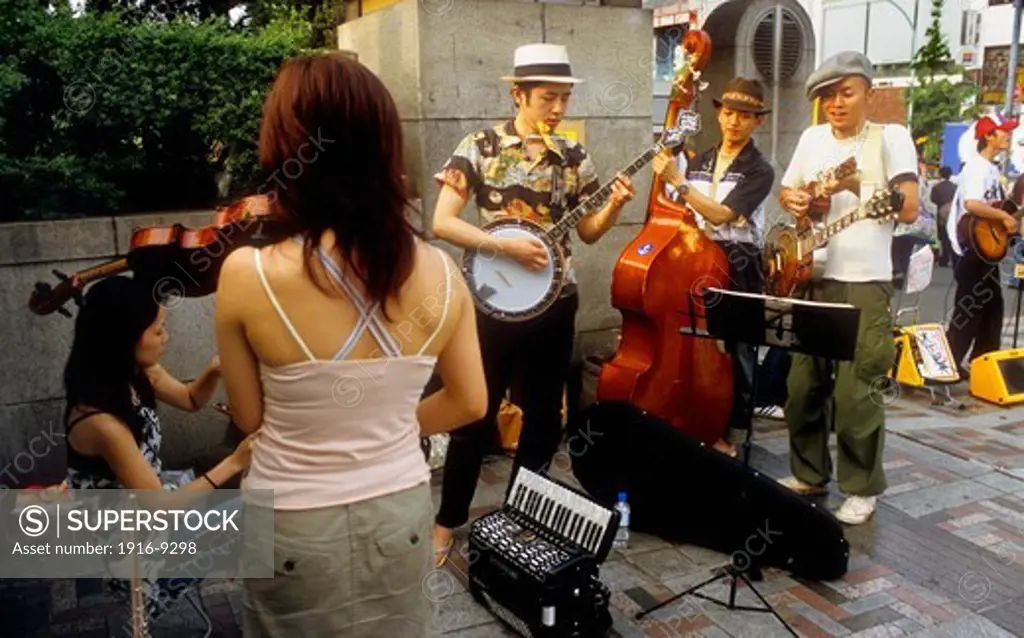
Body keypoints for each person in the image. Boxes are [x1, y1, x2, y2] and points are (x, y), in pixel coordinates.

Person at [214, 52, 486, 637]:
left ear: (289, 147)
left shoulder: (245, 273)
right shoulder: (442, 273)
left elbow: (249, 416)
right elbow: (469, 402)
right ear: (385, 146)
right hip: (401, 515)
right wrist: (385, 422)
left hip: (289, 526)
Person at [430, 43, 635, 565]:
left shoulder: (574, 155)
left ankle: (521, 512)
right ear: (518, 94)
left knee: (544, 416)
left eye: (565, 98)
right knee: (475, 410)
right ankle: (448, 518)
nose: (559, 109)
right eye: (549, 98)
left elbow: (587, 233)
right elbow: (443, 222)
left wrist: (611, 207)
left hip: (555, 303)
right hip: (493, 304)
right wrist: (502, 245)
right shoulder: (478, 146)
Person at [776, 51, 919, 525]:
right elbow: (789, 190)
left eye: (846, 92)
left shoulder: (889, 138)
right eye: (826, 96)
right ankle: (810, 472)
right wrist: (794, 197)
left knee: (859, 392)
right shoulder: (813, 138)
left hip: (864, 280)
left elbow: (910, 207)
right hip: (810, 275)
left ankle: (861, 487)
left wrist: (859, 187)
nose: (835, 103)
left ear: (868, 93)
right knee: (802, 385)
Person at [62, 274, 253, 624]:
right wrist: (234, 462)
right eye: (158, 329)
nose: (166, 336)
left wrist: (214, 370)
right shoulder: (101, 421)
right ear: (124, 336)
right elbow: (159, 507)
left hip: (145, 511)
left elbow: (191, 399)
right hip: (132, 553)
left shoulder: (138, 372)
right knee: (255, 512)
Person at [652, 77, 776, 456]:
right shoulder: (700, 159)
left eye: (744, 115)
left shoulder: (760, 169)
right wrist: (667, 172)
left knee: (738, 353)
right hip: (696, 261)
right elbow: (673, 205)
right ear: (719, 114)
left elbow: (722, 216)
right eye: (728, 112)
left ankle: (736, 434)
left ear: (758, 122)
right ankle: (697, 416)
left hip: (739, 267)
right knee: (695, 345)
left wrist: (680, 182)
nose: (734, 121)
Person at [944, 113, 1018, 378]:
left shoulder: (992, 169)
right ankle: (949, 366)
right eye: (1004, 132)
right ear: (988, 136)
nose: (1009, 136)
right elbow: (972, 204)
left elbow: (991, 208)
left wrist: (1007, 219)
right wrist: (1005, 217)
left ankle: (983, 362)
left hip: (985, 249)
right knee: (970, 309)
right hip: (970, 249)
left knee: (992, 307)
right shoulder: (976, 167)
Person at [932, 166, 958, 267]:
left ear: (940, 174)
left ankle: (944, 257)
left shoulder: (936, 187)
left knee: (943, 236)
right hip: (953, 214)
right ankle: (952, 256)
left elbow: (933, 199)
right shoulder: (955, 187)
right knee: (951, 235)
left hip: (941, 213)